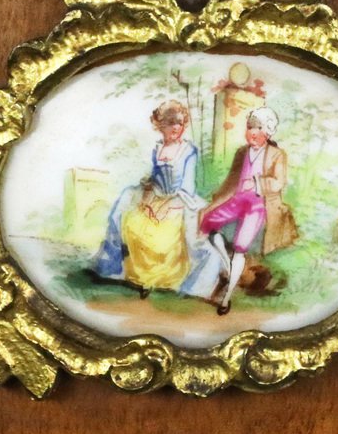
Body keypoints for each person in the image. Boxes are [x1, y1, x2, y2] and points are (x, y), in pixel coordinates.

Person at [94, 100, 215, 297]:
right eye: (171, 123)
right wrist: (149, 192)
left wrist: (167, 205)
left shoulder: (188, 151)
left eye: (180, 123)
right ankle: (140, 278)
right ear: (160, 125)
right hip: (156, 195)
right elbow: (156, 177)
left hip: (180, 200)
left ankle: (170, 281)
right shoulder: (157, 149)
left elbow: (187, 186)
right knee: (132, 222)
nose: (176, 128)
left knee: (172, 236)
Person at [200, 107, 298, 315]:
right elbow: (231, 180)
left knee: (240, 249)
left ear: (268, 132)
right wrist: (217, 198)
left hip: (257, 206)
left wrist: (255, 183)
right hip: (236, 201)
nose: (253, 133)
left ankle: (225, 299)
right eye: (250, 127)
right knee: (210, 225)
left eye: (259, 128)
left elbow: (278, 182)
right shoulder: (242, 152)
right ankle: (228, 266)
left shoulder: (276, 155)